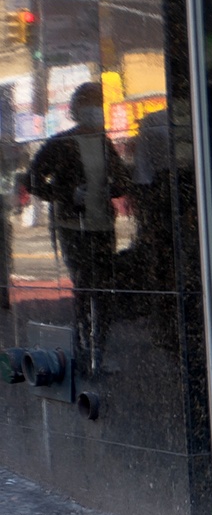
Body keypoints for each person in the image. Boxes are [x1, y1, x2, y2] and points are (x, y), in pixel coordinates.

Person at [27, 82, 130, 375]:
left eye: (98, 104)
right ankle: (83, 355)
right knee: (85, 290)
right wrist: (66, 195)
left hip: (102, 226)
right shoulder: (60, 143)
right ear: (76, 110)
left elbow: (121, 177)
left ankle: (100, 353)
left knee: (104, 291)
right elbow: (33, 179)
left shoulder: (104, 142)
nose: (95, 111)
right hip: (74, 227)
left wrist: (116, 187)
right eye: (88, 104)